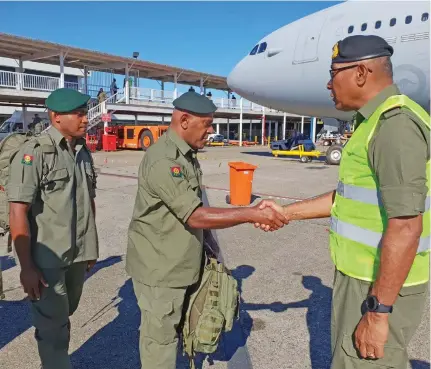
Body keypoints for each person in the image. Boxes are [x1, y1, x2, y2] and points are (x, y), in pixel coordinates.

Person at [258, 34, 430, 368]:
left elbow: (406, 224)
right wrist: (287, 212)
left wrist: (379, 313)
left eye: (334, 72)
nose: (328, 83)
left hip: (378, 285)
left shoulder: (395, 126)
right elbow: (349, 198)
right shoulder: (373, 123)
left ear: (361, 73)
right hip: (365, 279)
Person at [126, 91, 288, 369]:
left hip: (180, 263)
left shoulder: (186, 155)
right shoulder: (164, 160)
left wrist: (210, 249)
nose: (211, 131)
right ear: (185, 120)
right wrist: (250, 213)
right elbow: (195, 216)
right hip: (160, 270)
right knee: (160, 344)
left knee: (182, 331)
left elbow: (196, 206)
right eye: (207, 124)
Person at [7, 88, 99, 369]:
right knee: (53, 327)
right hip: (47, 260)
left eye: (86, 113)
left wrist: (90, 246)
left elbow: (88, 200)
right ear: (56, 117)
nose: (86, 119)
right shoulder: (34, 153)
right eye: (79, 114)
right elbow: (17, 210)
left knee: (64, 313)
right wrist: (26, 267)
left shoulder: (82, 152)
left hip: (77, 254)